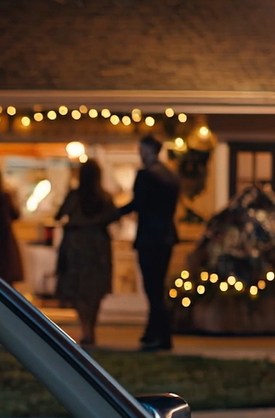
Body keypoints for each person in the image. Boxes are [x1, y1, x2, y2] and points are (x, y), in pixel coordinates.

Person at [119, 135, 181, 351]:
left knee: (152, 288)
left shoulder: (146, 176)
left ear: (148, 151)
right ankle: (156, 332)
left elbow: (137, 203)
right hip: (166, 236)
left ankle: (158, 335)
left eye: (141, 150)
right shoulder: (169, 176)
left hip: (149, 238)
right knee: (158, 287)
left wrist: (111, 214)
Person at [54, 160, 118, 347]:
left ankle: (85, 329)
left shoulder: (75, 196)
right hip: (98, 245)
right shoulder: (104, 197)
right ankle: (92, 328)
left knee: (79, 289)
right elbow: (114, 216)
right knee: (94, 289)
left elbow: (59, 215)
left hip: (77, 244)